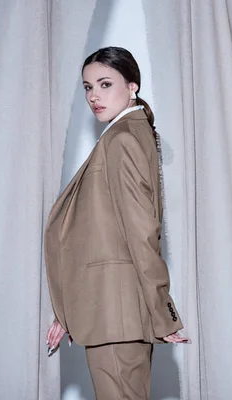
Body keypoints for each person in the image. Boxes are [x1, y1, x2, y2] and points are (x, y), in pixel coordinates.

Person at [44, 46, 189, 399]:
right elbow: (100, 233)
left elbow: (141, 231)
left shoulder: (122, 139)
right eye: (88, 87)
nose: (94, 96)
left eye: (105, 84)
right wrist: (70, 309)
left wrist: (163, 311)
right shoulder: (126, 135)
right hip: (111, 312)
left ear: (133, 85)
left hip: (117, 316)